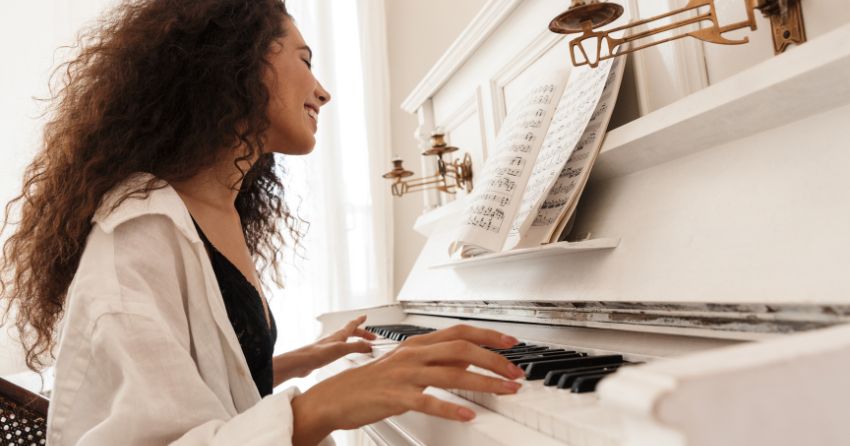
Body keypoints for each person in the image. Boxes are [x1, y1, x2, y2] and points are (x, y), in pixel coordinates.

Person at [0, 1, 525, 445]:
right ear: (238, 62)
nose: (323, 92)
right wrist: (318, 407)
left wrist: (308, 358)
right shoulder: (138, 232)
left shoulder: (212, 209)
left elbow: (203, 384)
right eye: (304, 60)